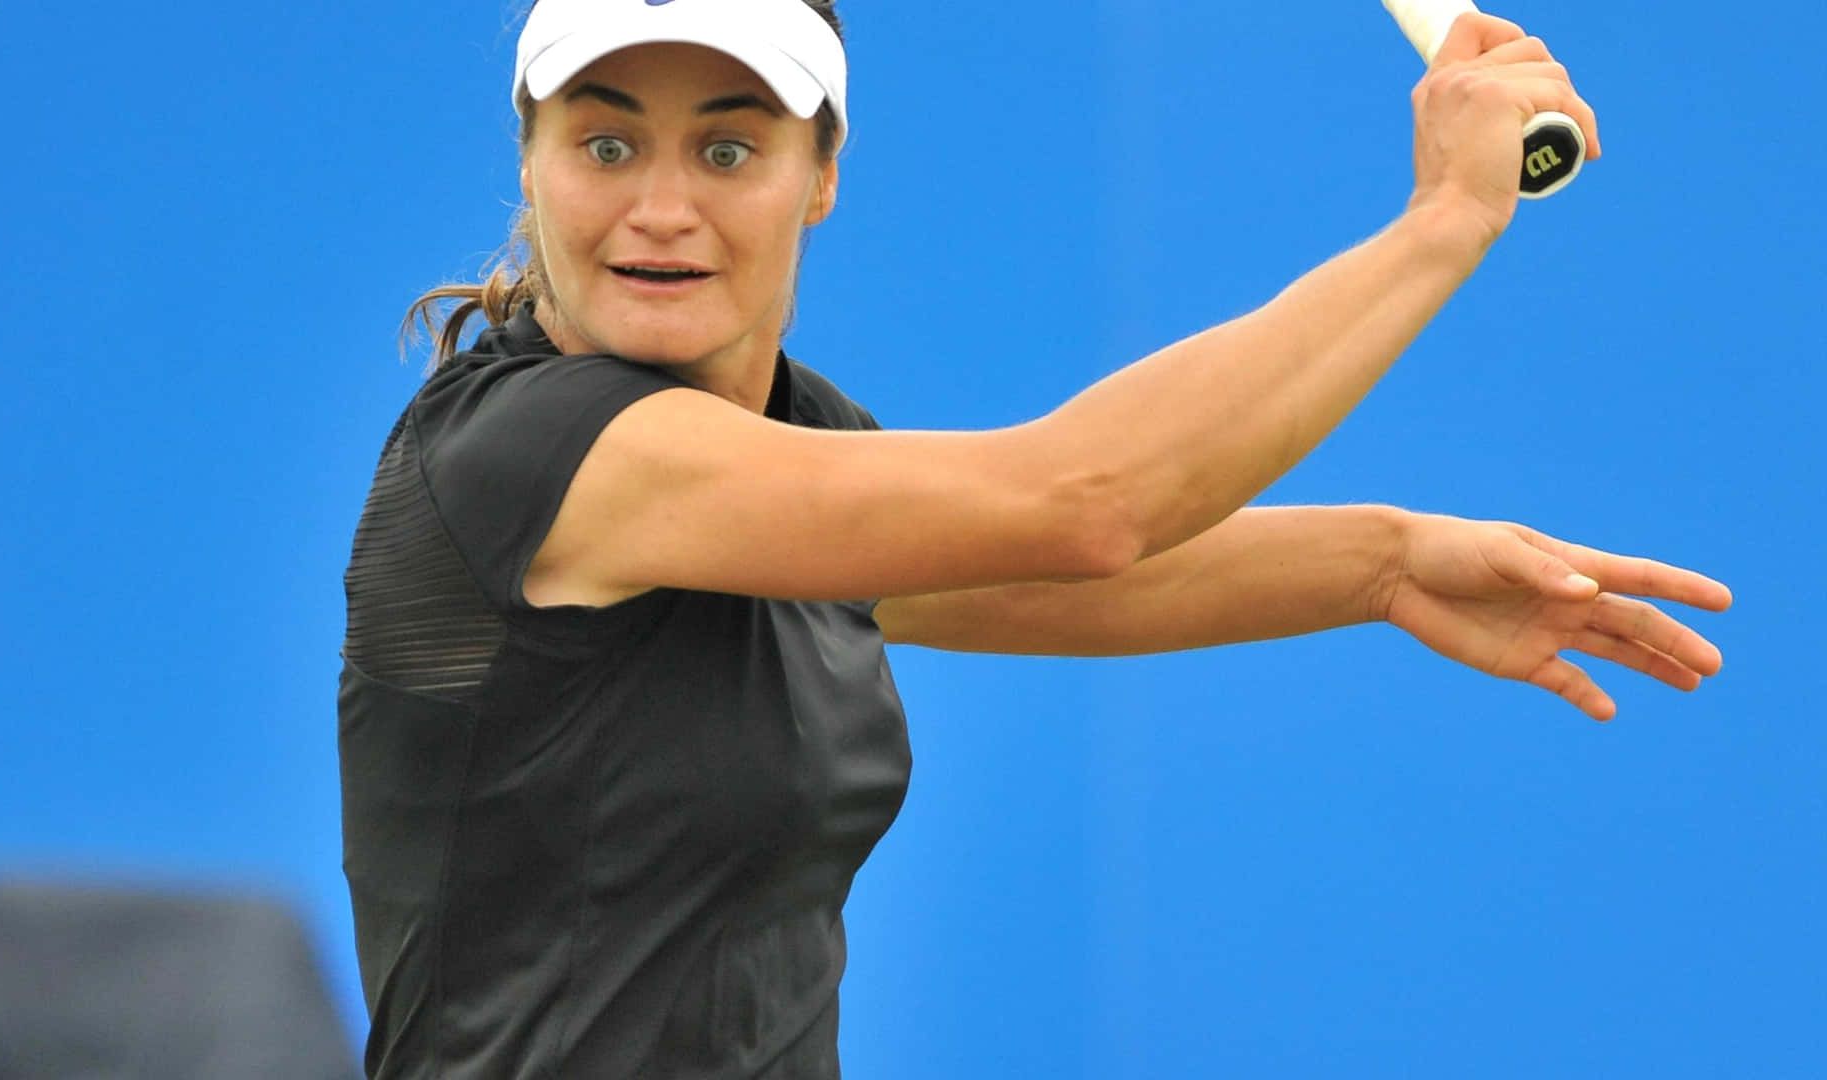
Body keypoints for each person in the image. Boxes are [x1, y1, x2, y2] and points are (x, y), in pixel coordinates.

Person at [338, 1, 1732, 1076]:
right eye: (603, 142)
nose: (659, 206)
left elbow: (997, 574)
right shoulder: (550, 450)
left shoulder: (780, 452)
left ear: (821, 175)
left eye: (728, 145)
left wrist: (1383, 561)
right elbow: (1086, 505)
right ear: (528, 163)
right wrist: (1444, 218)